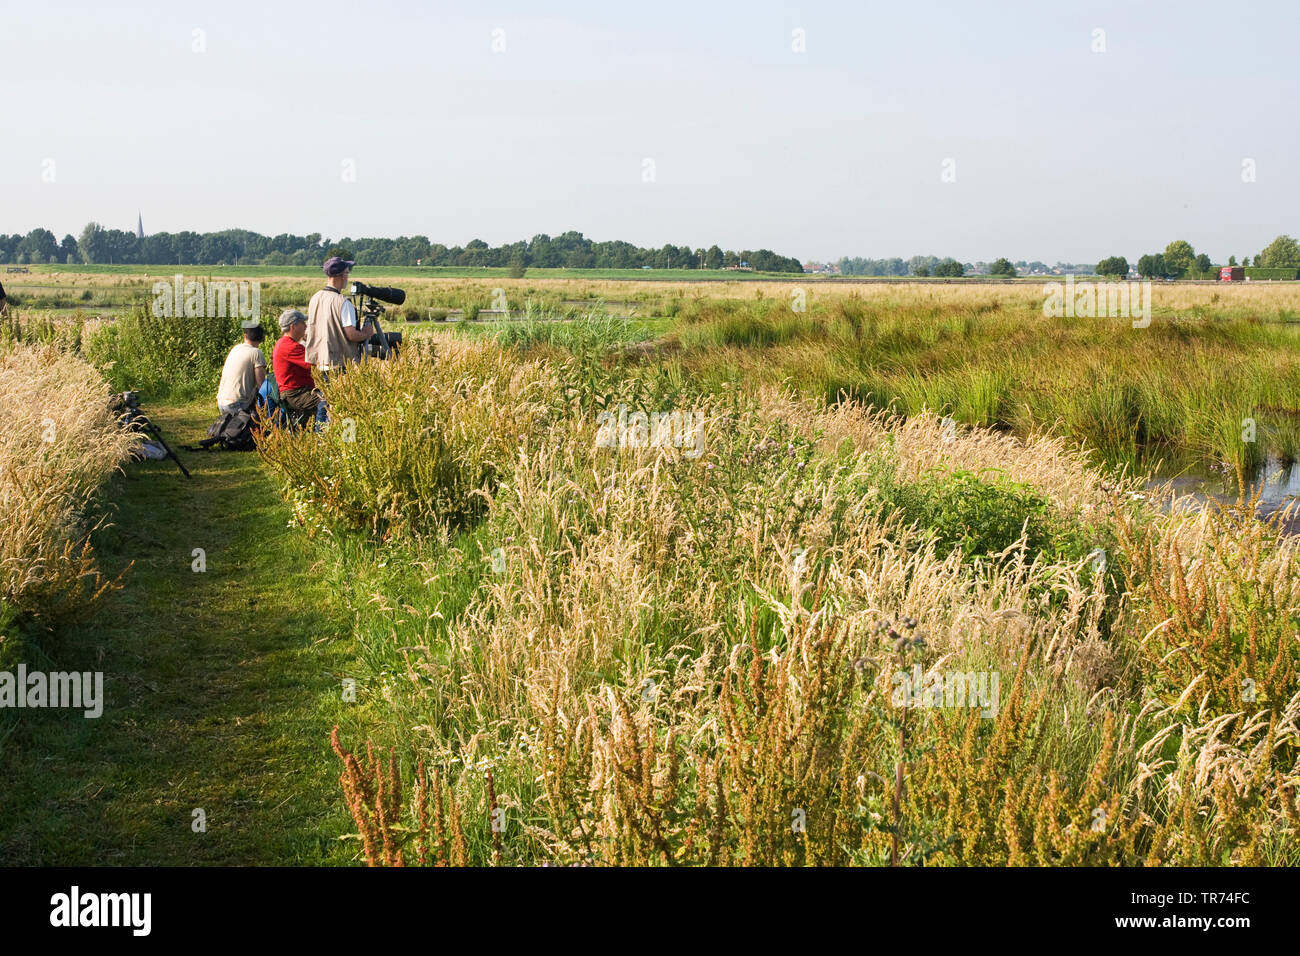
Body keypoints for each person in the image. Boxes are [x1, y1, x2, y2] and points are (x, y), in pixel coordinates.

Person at [303, 257, 375, 374]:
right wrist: (366, 333)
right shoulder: (342, 302)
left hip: (319, 362)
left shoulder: (315, 297)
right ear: (342, 275)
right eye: (347, 272)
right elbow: (351, 335)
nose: (348, 276)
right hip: (339, 364)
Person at [272, 309, 319, 428]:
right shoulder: (290, 347)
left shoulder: (283, 343)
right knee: (328, 401)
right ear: (293, 326)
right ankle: (321, 433)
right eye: (302, 323)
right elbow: (315, 363)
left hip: (294, 392)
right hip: (295, 394)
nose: (305, 326)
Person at [215, 320, 267, 416]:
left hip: (221, 401)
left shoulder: (236, 348)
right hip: (237, 404)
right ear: (261, 339)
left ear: (245, 336)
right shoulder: (256, 353)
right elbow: (261, 385)